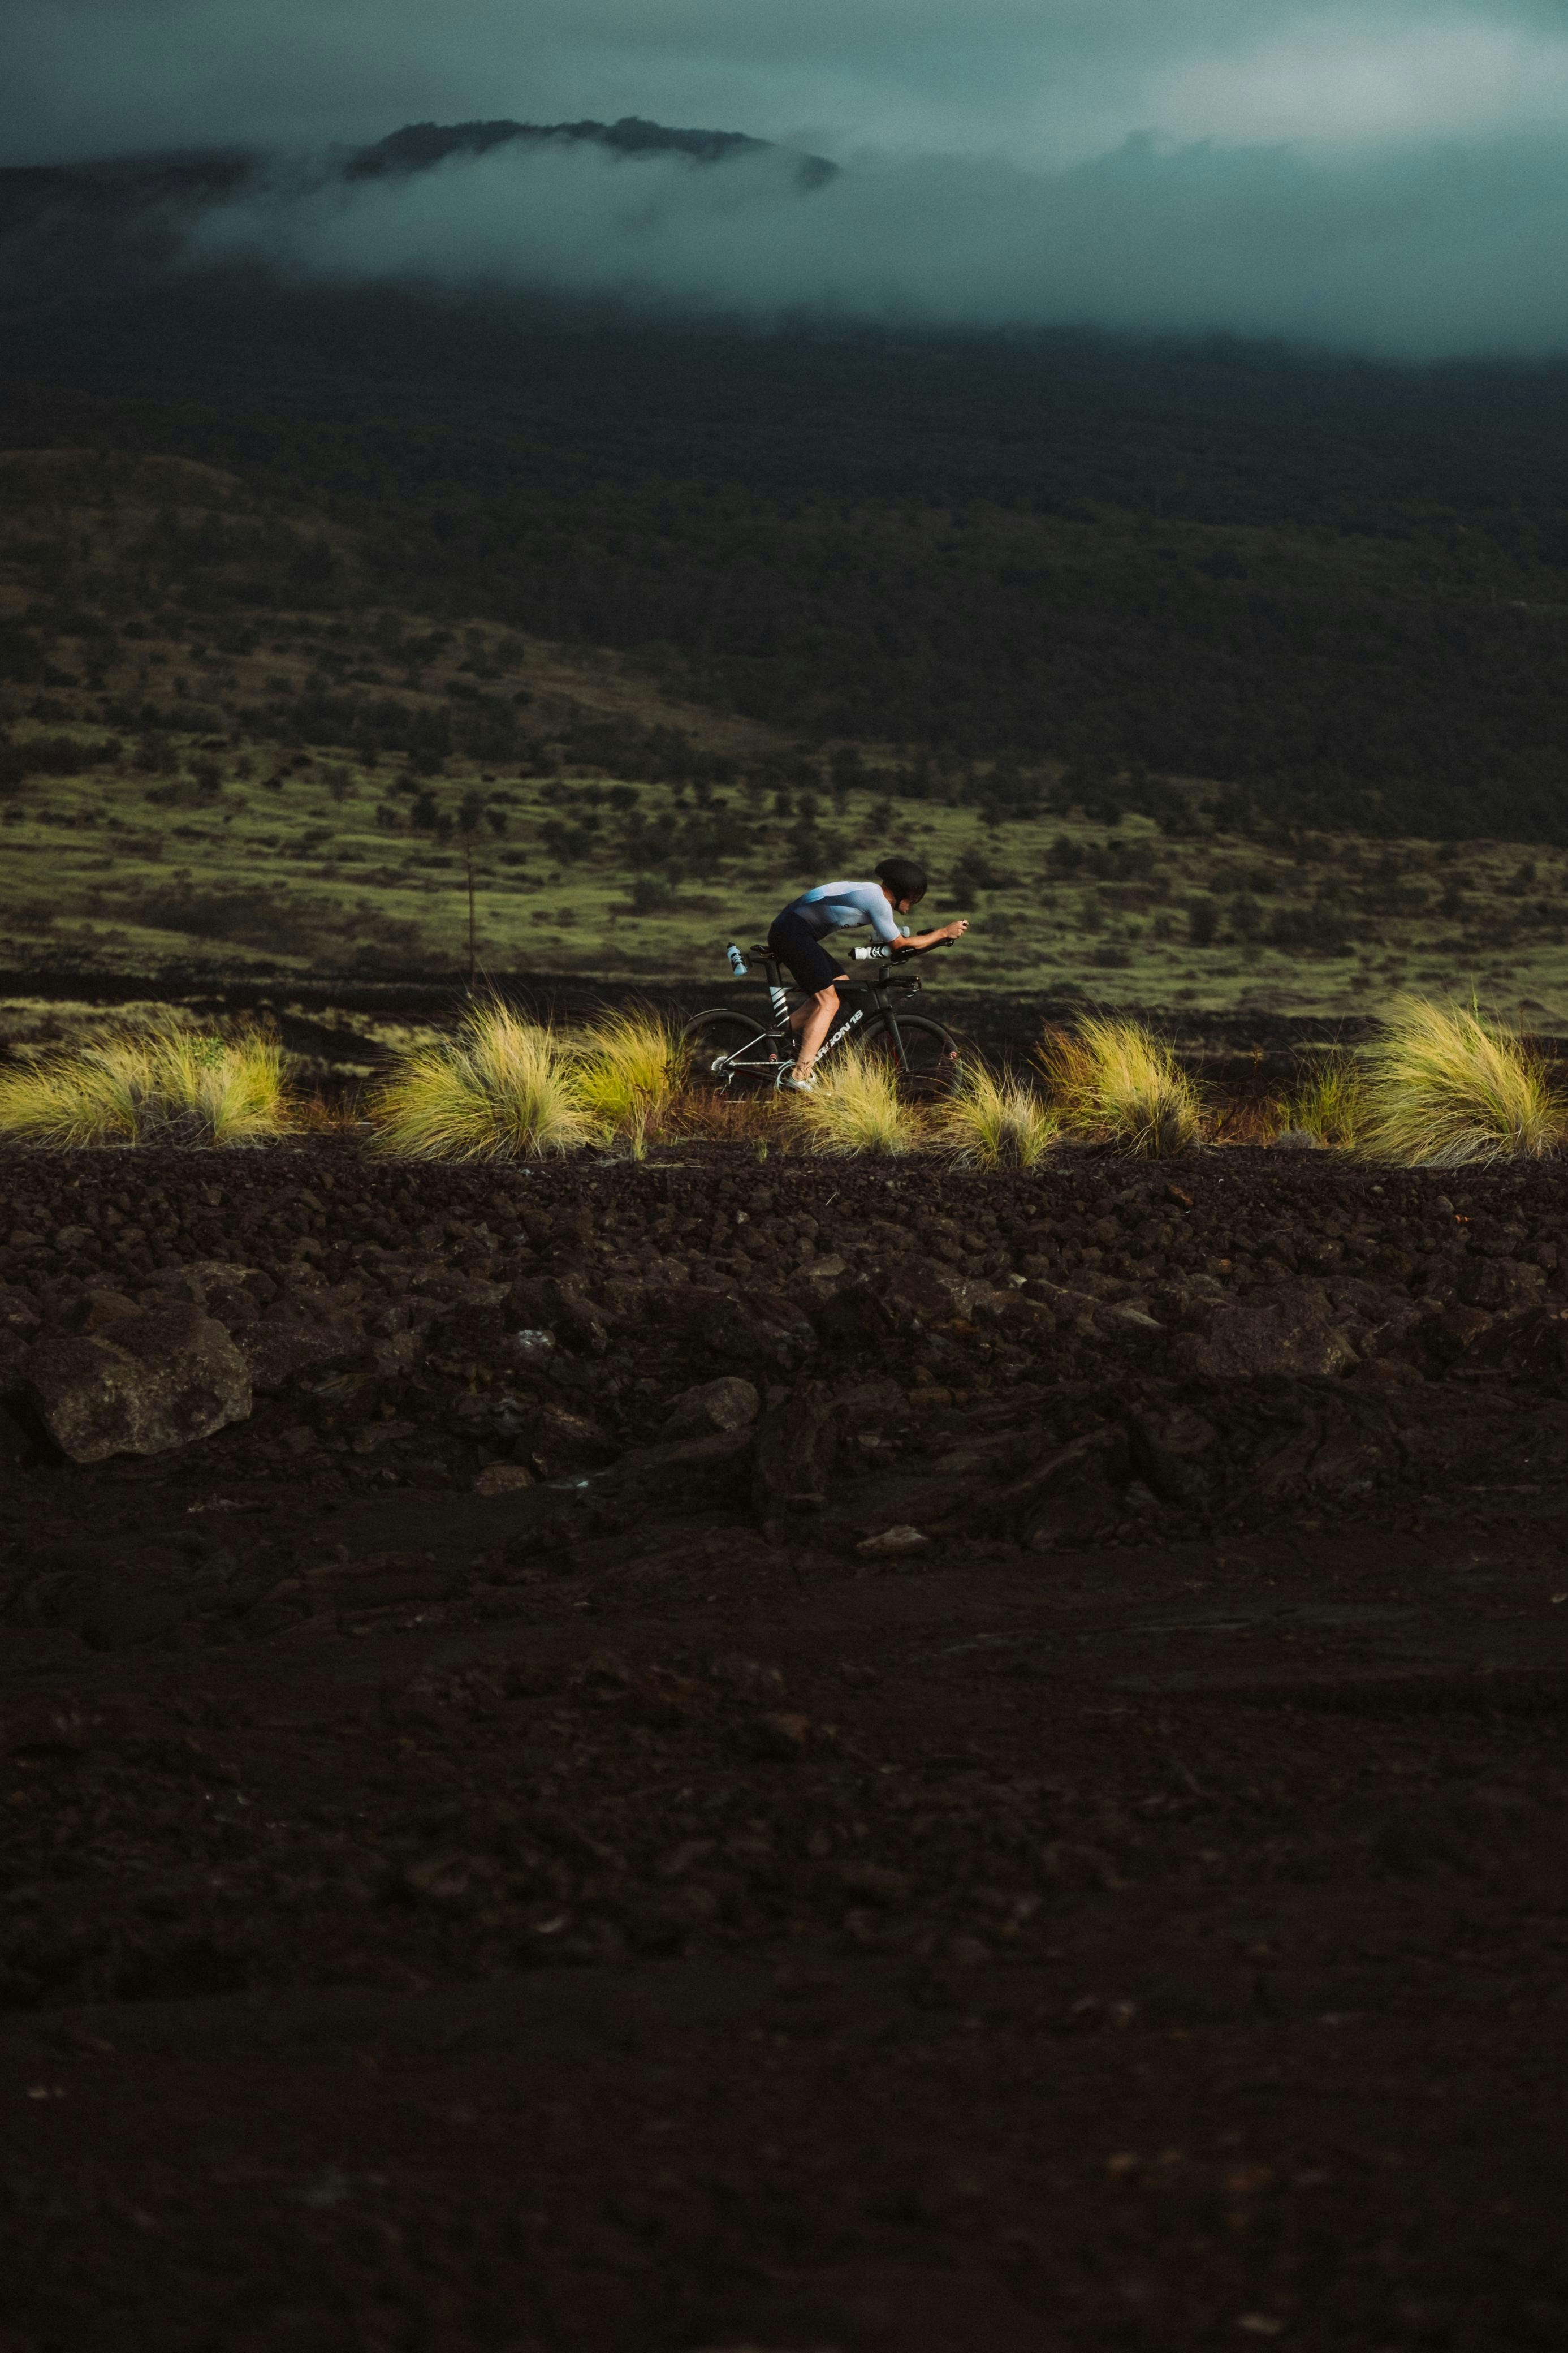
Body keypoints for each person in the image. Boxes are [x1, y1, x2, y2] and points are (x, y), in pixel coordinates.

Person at [766, 856, 967, 1091]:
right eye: (914, 897)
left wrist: (930, 938)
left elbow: (894, 943)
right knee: (828, 1003)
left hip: (793, 934)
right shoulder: (877, 900)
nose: (914, 903)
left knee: (840, 992)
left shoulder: (872, 895)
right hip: (791, 935)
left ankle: (772, 1038)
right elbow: (900, 945)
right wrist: (944, 932)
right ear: (903, 890)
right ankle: (800, 1075)